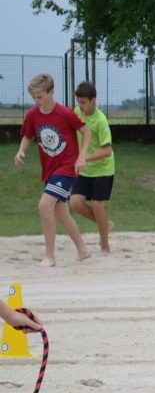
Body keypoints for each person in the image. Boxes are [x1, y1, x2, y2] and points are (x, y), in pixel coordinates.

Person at [13, 73, 93, 267]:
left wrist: (81, 156)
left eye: (40, 96)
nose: (36, 101)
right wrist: (21, 151)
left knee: (44, 205)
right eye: (34, 97)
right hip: (49, 169)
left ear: (52, 92)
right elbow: (28, 136)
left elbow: (86, 132)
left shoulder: (65, 113)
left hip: (66, 167)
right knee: (60, 211)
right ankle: (83, 250)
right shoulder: (32, 115)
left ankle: (50, 256)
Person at [69, 81, 116, 254]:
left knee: (97, 205)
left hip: (103, 169)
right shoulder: (75, 113)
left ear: (93, 100)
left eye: (83, 102)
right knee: (75, 203)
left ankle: (105, 246)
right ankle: (106, 224)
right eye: (78, 102)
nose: (80, 106)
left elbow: (107, 150)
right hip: (85, 169)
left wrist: (84, 158)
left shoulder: (101, 120)